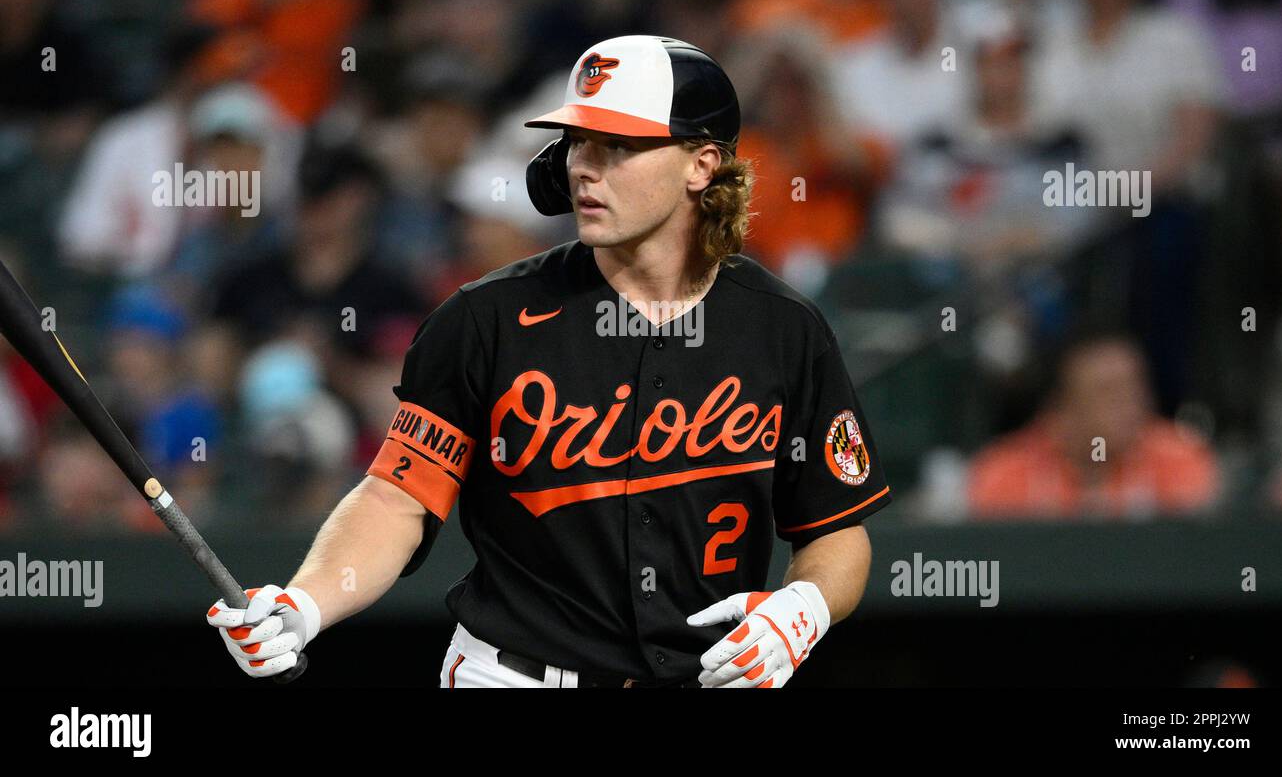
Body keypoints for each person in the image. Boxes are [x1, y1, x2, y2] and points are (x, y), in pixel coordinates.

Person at [206, 35, 893, 688]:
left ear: (701, 165)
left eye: (618, 145)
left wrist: (804, 607)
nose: (585, 166)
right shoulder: (485, 320)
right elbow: (397, 496)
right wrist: (306, 602)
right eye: (578, 142)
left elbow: (836, 529)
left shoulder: (783, 329)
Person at [967, 332, 1219, 519]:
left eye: (1134, 389)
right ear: (1061, 409)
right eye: (1108, 392)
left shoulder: (1181, 460)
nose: (1129, 405)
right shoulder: (1004, 473)